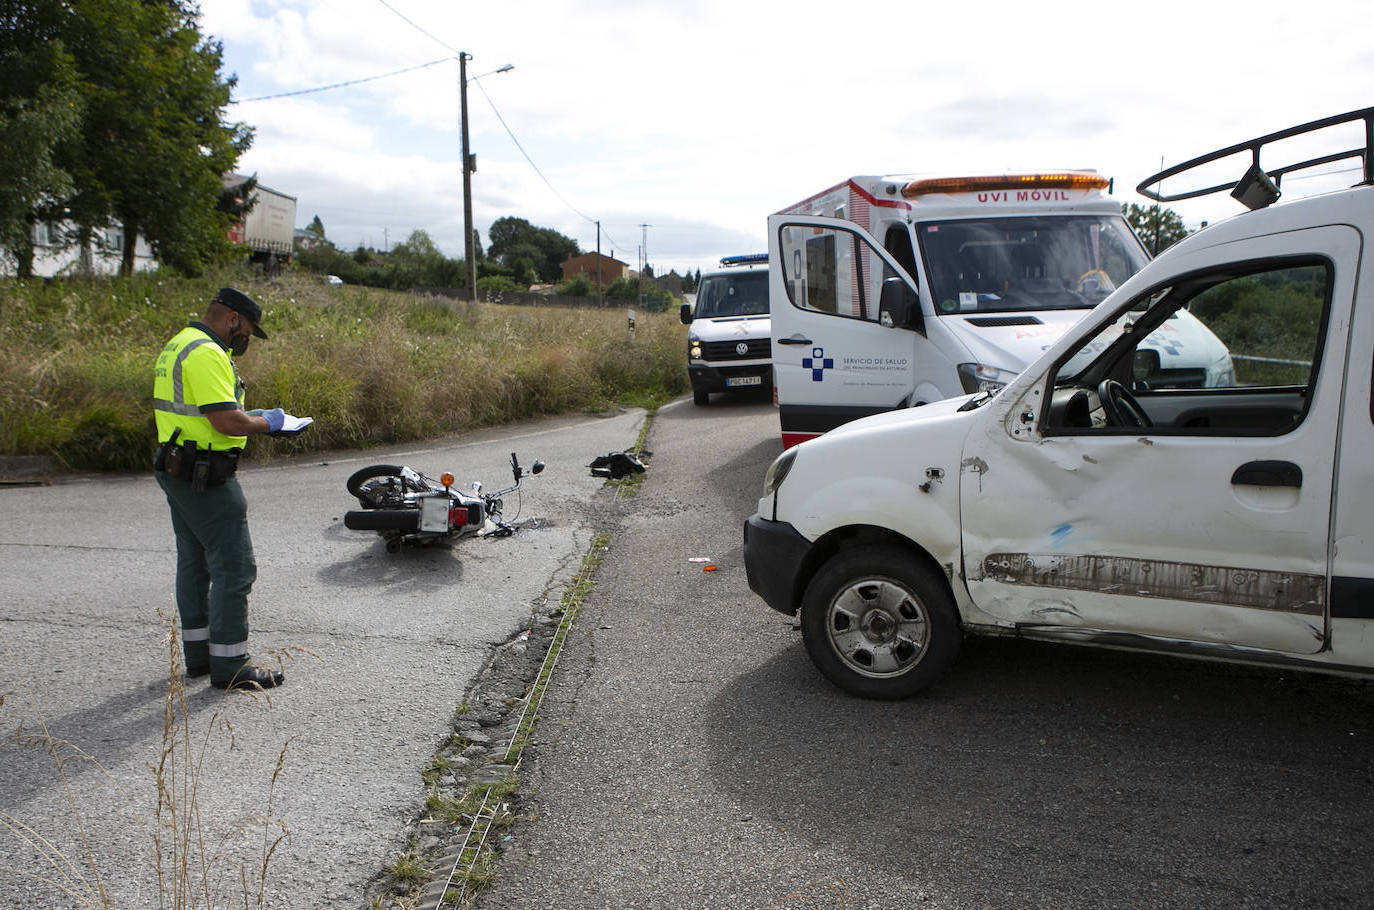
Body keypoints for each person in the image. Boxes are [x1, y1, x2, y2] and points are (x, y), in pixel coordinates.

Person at [152, 287, 301, 690]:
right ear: (233, 319)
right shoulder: (206, 353)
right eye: (248, 330)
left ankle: (200, 657)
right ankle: (231, 664)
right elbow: (225, 422)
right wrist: (268, 423)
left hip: (178, 466)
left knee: (194, 563)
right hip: (206, 476)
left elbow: (205, 413)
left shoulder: (179, 344)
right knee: (234, 568)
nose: (247, 340)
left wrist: (246, 416)